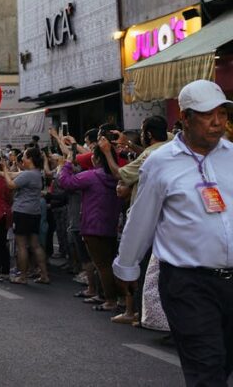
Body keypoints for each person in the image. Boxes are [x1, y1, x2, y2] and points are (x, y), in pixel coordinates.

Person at [114, 80, 233, 386]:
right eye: (208, 115)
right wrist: (127, 266)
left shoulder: (231, 155)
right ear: (186, 117)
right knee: (206, 366)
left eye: (222, 113)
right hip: (187, 283)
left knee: (223, 362)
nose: (217, 122)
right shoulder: (160, 162)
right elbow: (141, 219)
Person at [114, 116, 171, 328]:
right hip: (165, 224)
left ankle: (141, 314)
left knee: (146, 271)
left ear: (148, 134)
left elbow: (120, 174)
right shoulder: (172, 145)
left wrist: (108, 154)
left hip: (148, 220)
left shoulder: (151, 155)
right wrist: (129, 144)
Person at [57, 138, 123, 312]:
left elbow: (65, 182)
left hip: (92, 225)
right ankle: (114, 297)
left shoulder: (92, 176)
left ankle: (110, 299)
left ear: (98, 159)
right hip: (110, 224)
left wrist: (66, 165)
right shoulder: (116, 176)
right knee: (109, 263)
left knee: (102, 265)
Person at [1, 148, 49, 284]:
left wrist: (4, 169)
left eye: (25, 157)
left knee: (21, 245)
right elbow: (16, 174)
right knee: (35, 245)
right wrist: (2, 172)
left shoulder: (29, 174)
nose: (22, 159)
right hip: (34, 212)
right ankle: (44, 275)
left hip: (22, 212)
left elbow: (10, 185)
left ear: (31, 159)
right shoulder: (36, 173)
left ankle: (23, 276)